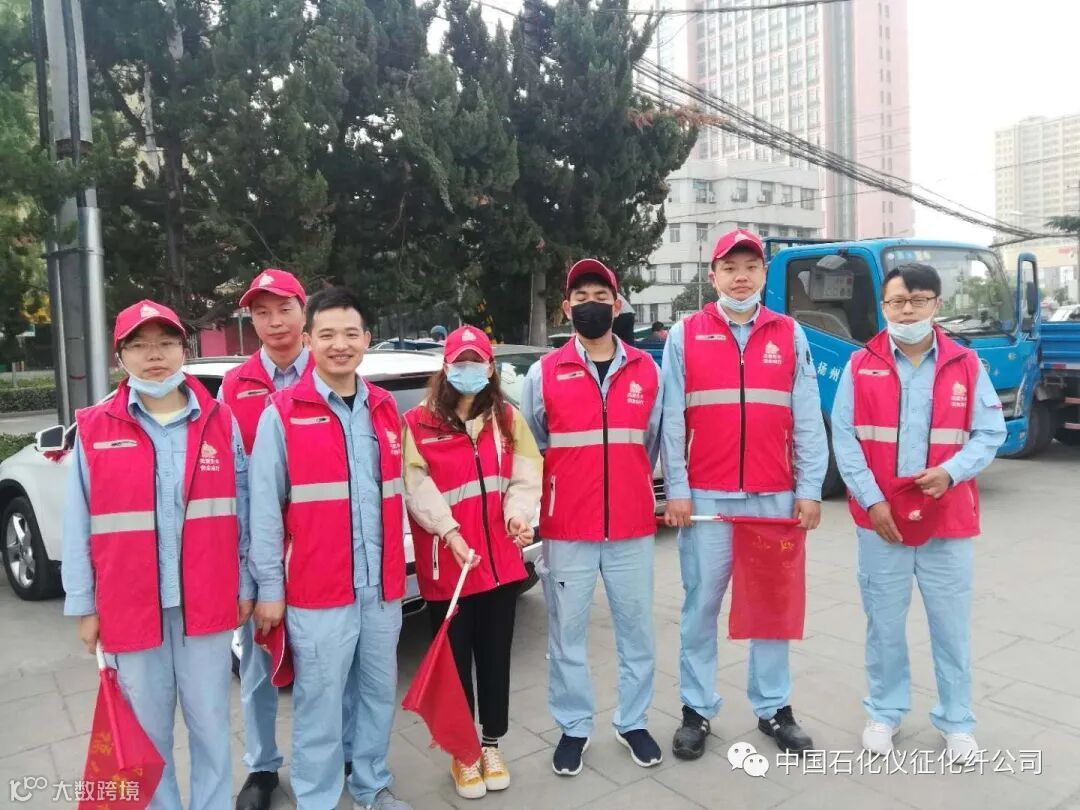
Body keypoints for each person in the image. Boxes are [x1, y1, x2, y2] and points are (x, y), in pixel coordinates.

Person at [61, 300, 252, 810]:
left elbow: (243, 511)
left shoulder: (220, 420)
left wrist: (247, 584)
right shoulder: (95, 427)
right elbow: (78, 522)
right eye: (140, 346)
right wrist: (84, 605)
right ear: (120, 356)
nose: (154, 356)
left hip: (207, 605)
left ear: (183, 350)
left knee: (212, 724)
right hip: (129, 605)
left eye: (166, 343)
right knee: (145, 735)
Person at [661, 228, 828, 759]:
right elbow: (671, 420)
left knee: (770, 607)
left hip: (772, 497)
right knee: (700, 608)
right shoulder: (685, 334)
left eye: (750, 267)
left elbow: (807, 417)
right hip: (706, 498)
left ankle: (773, 707)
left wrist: (809, 489)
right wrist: (677, 490)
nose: (740, 277)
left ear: (763, 275)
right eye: (730, 268)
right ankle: (696, 709)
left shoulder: (789, 334)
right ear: (712, 276)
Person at [830, 263, 1006, 763]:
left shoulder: (965, 364)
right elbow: (845, 436)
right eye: (897, 302)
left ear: (936, 305)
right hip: (881, 520)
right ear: (883, 306)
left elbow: (989, 432)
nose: (907, 310)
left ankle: (957, 721)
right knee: (884, 624)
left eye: (918, 300)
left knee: (950, 627)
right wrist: (872, 500)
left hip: (946, 518)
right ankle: (884, 712)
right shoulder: (860, 364)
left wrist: (951, 472)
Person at [249, 287, 411, 810]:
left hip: (381, 588)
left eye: (350, 334)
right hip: (318, 590)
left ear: (367, 339)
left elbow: (405, 489)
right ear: (309, 340)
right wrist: (269, 588)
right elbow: (264, 511)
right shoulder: (282, 413)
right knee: (319, 703)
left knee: (377, 694)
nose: (340, 345)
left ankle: (371, 785)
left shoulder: (384, 409)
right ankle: (317, 798)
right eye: (327, 335)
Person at [521, 259, 665, 777]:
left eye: (600, 296)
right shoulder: (543, 373)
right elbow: (534, 444)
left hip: (630, 527)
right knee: (567, 636)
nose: (590, 305)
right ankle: (574, 727)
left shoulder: (647, 370)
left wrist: (628, 484)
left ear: (617, 304)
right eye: (580, 297)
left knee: (637, 633)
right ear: (566, 308)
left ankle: (633, 721)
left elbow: (651, 442)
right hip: (568, 528)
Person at [402, 325, 542, 799]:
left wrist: (518, 516)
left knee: (496, 659)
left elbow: (526, 475)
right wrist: (450, 532)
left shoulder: (506, 417)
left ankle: (491, 744)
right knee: (455, 665)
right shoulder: (417, 423)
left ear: (490, 367)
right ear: (445, 367)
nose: (467, 370)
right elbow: (416, 487)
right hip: (451, 568)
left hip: (499, 562)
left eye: (475, 362)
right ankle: (461, 754)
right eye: (459, 362)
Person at [219, 269, 310, 810]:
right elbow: (232, 478)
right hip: (259, 545)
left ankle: (339, 754)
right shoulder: (236, 385)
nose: (275, 322)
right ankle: (261, 767)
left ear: (304, 309)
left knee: (327, 662)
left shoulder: (328, 369)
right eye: (261, 313)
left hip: (320, 542)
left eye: (284, 309)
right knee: (257, 663)